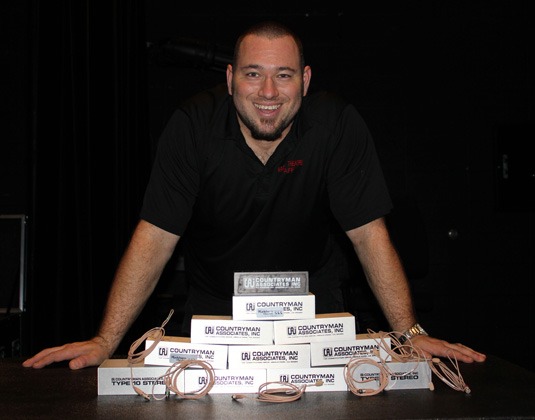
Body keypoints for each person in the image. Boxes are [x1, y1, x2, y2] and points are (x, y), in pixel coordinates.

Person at [23, 20, 486, 370]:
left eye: (283, 76)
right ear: (229, 80)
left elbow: (369, 235)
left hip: (313, 303)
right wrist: (106, 341)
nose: (268, 92)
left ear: (304, 82)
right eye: (252, 74)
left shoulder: (336, 126)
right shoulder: (193, 127)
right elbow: (155, 237)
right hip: (214, 307)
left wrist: (409, 334)